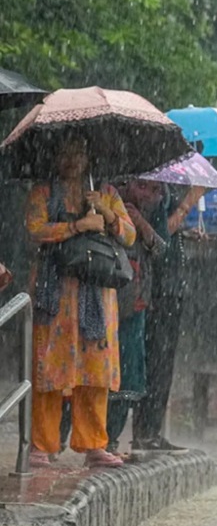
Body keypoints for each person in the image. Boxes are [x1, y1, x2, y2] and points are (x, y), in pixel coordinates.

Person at [26, 138, 135, 468]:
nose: (71, 159)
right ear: (55, 156)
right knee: (49, 369)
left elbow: (128, 236)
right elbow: (35, 230)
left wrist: (104, 212)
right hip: (54, 292)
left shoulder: (107, 192)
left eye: (78, 152)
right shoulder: (43, 193)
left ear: (89, 157)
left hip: (96, 295)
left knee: (95, 370)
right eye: (64, 151)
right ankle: (43, 445)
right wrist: (77, 226)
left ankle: (93, 445)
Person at [132, 182, 204, 453]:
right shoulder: (153, 191)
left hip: (171, 289)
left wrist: (186, 233)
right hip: (157, 290)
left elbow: (171, 233)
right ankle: (146, 431)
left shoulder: (164, 190)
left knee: (164, 363)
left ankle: (152, 429)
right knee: (155, 361)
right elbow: (160, 237)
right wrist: (189, 202)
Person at [106, 180, 168, 453]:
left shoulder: (155, 210)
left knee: (128, 376)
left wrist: (141, 222)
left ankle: (111, 438)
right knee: (98, 374)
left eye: (155, 191)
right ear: (128, 183)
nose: (150, 195)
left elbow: (160, 249)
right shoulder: (107, 196)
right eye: (143, 187)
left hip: (136, 304)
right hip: (104, 300)